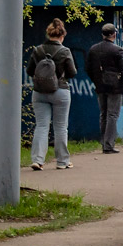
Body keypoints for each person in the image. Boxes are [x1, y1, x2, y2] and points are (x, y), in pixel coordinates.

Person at [27, 19, 78, 170]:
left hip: (39, 92)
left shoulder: (38, 50)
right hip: (60, 91)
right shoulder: (65, 51)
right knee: (60, 127)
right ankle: (62, 161)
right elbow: (72, 72)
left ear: (48, 34)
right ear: (62, 36)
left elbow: (29, 70)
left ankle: (38, 160)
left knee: (41, 126)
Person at [87, 23, 123, 153]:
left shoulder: (93, 49)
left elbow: (88, 68)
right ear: (114, 34)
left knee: (103, 114)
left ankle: (104, 142)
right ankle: (109, 144)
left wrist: (96, 80)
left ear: (102, 34)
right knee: (112, 115)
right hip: (115, 86)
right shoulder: (117, 50)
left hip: (100, 86)